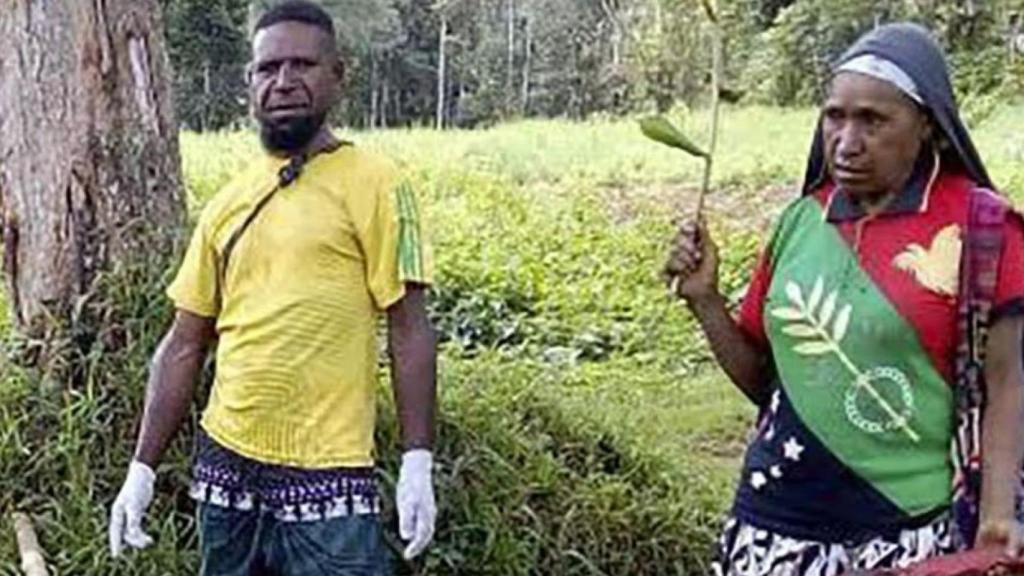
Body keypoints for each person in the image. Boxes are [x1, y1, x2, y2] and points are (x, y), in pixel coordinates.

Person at [664, 23, 1024, 575]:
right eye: (835, 116)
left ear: (928, 124)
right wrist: (706, 302)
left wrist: (997, 513)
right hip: (773, 528)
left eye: (873, 121)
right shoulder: (801, 222)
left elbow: (1008, 385)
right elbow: (768, 383)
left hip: (905, 534)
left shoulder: (983, 229)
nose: (847, 141)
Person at [107, 2, 438, 574]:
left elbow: (408, 330)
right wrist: (141, 470)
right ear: (250, 83)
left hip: (330, 479)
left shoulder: (379, 186)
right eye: (268, 68)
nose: (284, 81)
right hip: (225, 476)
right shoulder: (226, 204)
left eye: (303, 65)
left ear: (338, 76)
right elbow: (185, 342)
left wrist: (417, 461)